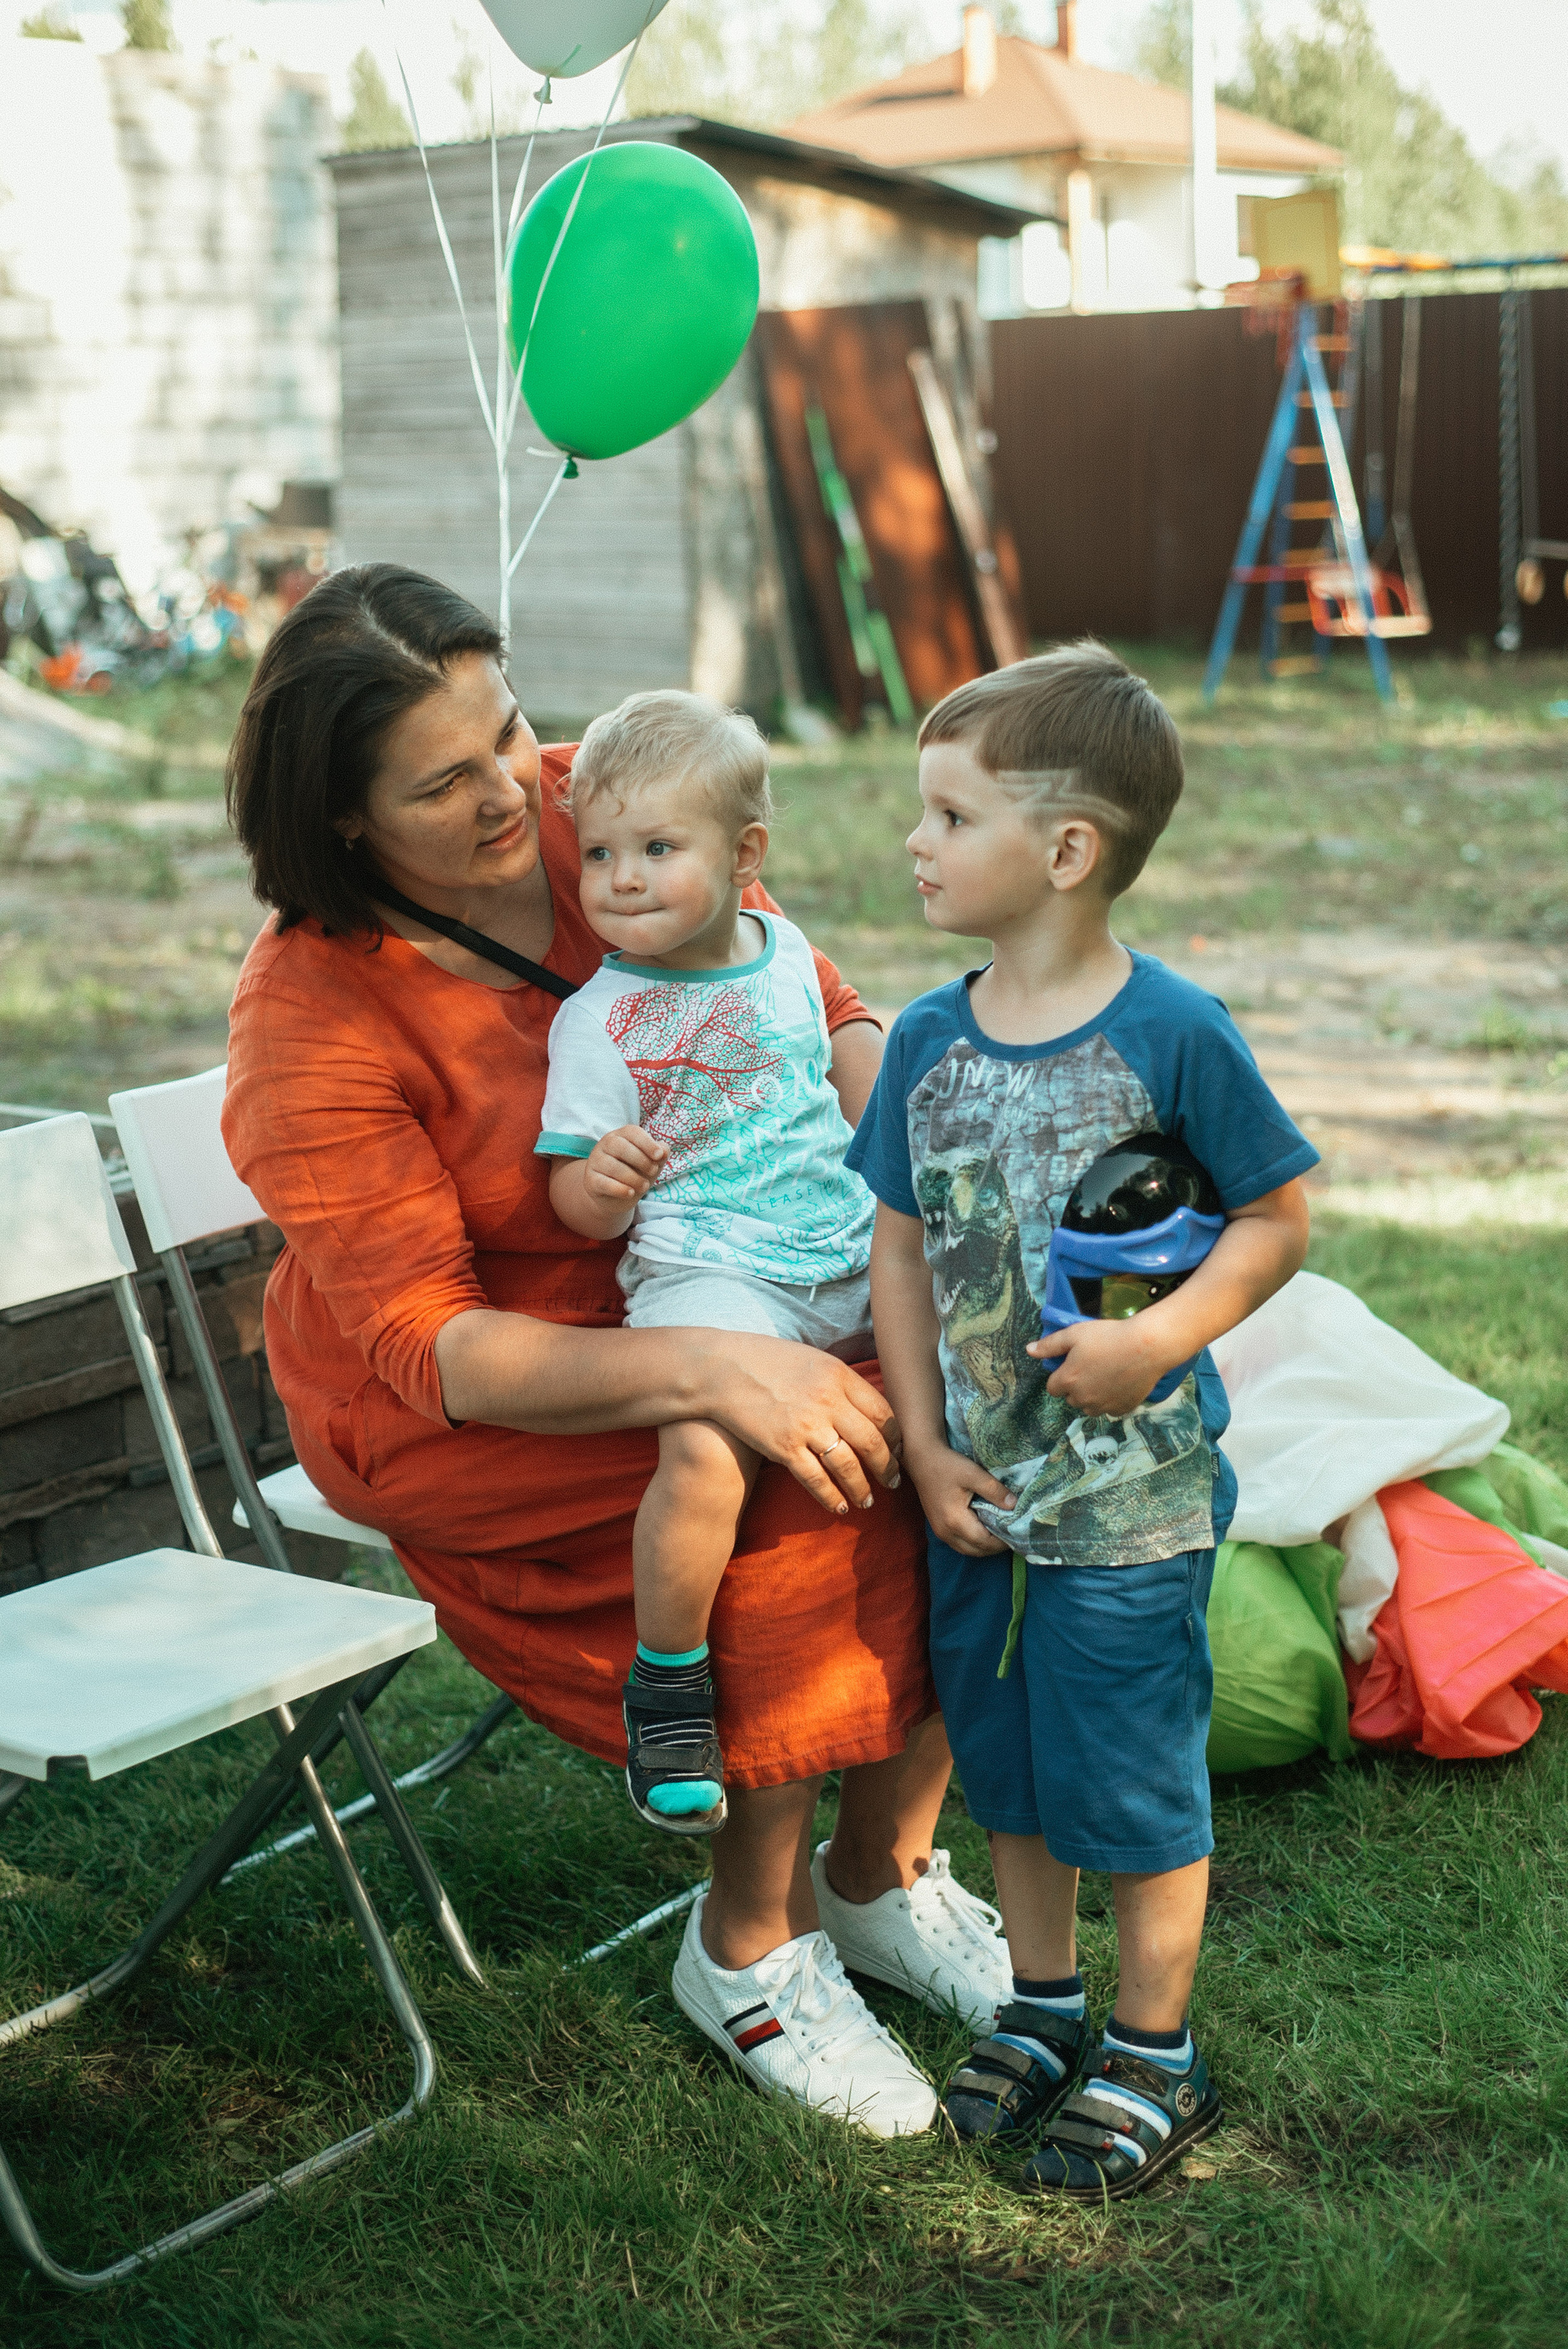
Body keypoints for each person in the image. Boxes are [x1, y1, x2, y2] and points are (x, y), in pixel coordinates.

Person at [221, 564, 1012, 2140]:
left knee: (968, 1408)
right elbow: (430, 1349)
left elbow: (823, 1007)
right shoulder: (310, 1020)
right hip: (476, 1390)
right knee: (798, 1485)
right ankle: (746, 1950)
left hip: (731, 1263)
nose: (518, 787)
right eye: (444, 783)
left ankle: (876, 1874)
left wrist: (921, 1180)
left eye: (508, 728)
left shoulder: (616, 795)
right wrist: (730, 1372)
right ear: (344, 824)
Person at [848, 642, 1318, 2198]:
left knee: (1126, 1771)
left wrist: (1164, 1338)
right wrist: (919, 1445)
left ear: (1064, 852)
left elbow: (1275, 1216)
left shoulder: (1171, 1033)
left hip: (1129, 1504)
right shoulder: (922, 1042)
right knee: (1015, 1761)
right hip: (977, 1497)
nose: (912, 841)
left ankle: (1151, 2050)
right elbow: (899, 1249)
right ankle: (1044, 2006)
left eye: (945, 812)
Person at [536, 692, 878, 1841]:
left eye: (657, 850)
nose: (621, 880)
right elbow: (571, 1204)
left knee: (967, 1339)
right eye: (599, 854)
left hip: (835, 1242)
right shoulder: (601, 1021)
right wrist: (602, 1181)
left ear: (747, 860)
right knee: (705, 1442)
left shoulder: (788, 956)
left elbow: (837, 1072)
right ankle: (669, 1681)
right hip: (708, 1270)